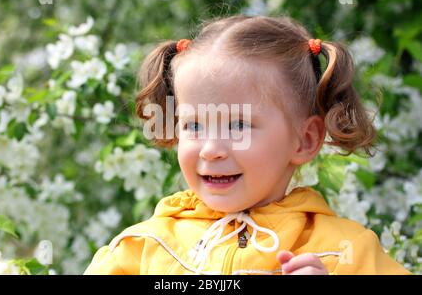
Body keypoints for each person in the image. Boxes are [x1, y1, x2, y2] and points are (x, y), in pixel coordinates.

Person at [84, 15, 410, 275]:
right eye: (193, 125)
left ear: (305, 140)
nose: (211, 149)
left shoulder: (344, 251)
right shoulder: (142, 248)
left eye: (238, 125)